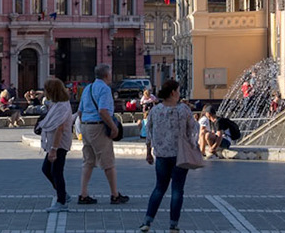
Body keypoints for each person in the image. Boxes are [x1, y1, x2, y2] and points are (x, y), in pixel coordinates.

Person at [139, 79, 195, 233]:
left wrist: (148, 152)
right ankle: (173, 225)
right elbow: (193, 130)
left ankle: (147, 222)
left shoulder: (155, 110)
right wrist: (192, 146)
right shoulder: (183, 110)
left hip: (162, 156)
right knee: (177, 190)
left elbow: (149, 133)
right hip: (180, 156)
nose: (179, 93)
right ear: (173, 93)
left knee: (159, 188)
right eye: (178, 90)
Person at [75, 63, 127, 205]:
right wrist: (113, 128)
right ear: (106, 75)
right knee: (108, 162)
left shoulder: (88, 88)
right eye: (110, 73)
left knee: (88, 161)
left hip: (86, 126)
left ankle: (83, 194)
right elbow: (103, 111)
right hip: (98, 128)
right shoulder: (104, 89)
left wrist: (83, 126)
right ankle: (115, 194)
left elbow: (80, 111)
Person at [37, 77, 75, 213]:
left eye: (46, 90)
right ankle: (63, 194)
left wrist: (53, 149)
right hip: (53, 143)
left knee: (56, 172)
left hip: (59, 144)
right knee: (46, 169)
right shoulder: (57, 104)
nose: (44, 92)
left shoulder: (62, 107)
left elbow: (59, 128)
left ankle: (61, 201)